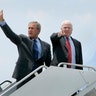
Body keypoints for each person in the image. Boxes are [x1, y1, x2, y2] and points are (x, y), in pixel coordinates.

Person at [0, 10, 51, 86]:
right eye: (29, 28)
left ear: (38, 30)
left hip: (37, 77)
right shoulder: (23, 39)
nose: (29, 30)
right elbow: (11, 35)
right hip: (23, 76)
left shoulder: (46, 46)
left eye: (32, 28)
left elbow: (48, 64)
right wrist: (2, 22)